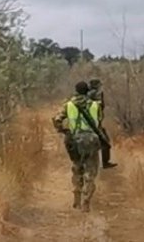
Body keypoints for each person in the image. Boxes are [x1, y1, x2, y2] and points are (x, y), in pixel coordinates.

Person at [51, 81, 103, 211]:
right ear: (87, 91)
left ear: (76, 90)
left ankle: (77, 196)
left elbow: (57, 119)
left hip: (75, 140)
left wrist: (64, 131)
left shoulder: (68, 105)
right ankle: (86, 201)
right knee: (90, 172)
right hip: (91, 141)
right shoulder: (96, 105)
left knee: (77, 168)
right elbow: (100, 120)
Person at [88, 78, 117, 169]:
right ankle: (105, 162)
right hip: (95, 126)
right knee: (106, 144)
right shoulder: (97, 95)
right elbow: (101, 109)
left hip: (79, 127)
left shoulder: (82, 97)